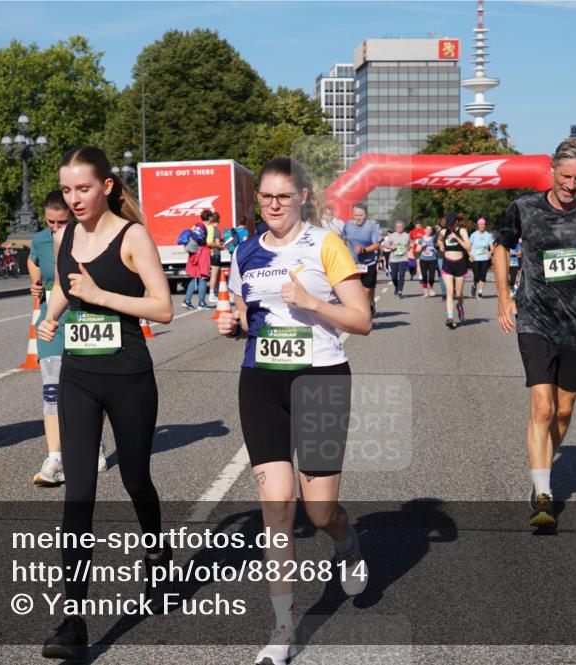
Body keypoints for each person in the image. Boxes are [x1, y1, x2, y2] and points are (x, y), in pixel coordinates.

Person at [219, 156, 371, 665]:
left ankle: (346, 543)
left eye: (284, 196)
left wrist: (312, 302)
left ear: (304, 196)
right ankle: (282, 631)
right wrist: (234, 325)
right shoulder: (245, 251)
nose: (275, 206)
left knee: (319, 510)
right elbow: (246, 313)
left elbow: (362, 318)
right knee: (278, 507)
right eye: (266, 197)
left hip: (322, 380)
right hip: (261, 381)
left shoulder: (326, 243)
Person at [37, 146, 174, 659]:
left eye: (83, 189)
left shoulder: (132, 236)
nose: (74, 199)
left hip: (128, 377)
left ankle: (156, 559)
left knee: (136, 479)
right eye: (67, 189)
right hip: (78, 377)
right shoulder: (65, 234)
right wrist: (52, 315)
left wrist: (100, 294)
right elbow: (61, 285)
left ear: (107, 187)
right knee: (79, 497)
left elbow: (162, 308)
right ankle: (72, 621)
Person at [492, 137, 576, 529]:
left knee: (564, 411)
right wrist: (503, 296)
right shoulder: (525, 208)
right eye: (566, 176)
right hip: (535, 318)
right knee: (543, 407)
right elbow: (501, 246)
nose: (571, 186)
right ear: (551, 170)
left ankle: (543, 467)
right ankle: (542, 493)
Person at [28, 191, 107, 487]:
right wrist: (35, 285)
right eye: (51, 222)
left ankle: (94, 443)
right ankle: (56, 457)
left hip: (87, 321)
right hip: (53, 321)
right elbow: (34, 262)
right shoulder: (40, 240)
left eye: (62, 222)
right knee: (51, 389)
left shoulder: (93, 237)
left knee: (91, 392)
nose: (56, 228)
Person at [341, 202, 381, 318]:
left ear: (366, 215)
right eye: (356, 215)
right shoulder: (348, 225)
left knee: (367, 291)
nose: (358, 217)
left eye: (361, 215)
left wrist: (364, 250)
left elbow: (377, 245)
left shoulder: (372, 225)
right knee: (354, 291)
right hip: (353, 263)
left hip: (369, 262)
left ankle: (369, 305)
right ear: (352, 215)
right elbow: (343, 240)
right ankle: (362, 313)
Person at [437, 213, 472, 329]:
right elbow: (439, 240)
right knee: (449, 292)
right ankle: (450, 317)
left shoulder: (462, 231)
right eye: (448, 225)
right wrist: (441, 244)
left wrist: (456, 238)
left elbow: (468, 247)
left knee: (458, 293)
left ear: (456, 222)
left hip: (460, 264)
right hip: (447, 263)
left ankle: (460, 306)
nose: (450, 227)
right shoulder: (443, 231)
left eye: (451, 225)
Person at [182, 221, 210, 310]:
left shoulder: (194, 228)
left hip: (194, 256)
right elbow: (209, 242)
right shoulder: (208, 228)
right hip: (202, 255)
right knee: (203, 279)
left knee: (194, 279)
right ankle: (201, 303)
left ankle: (187, 300)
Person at [469, 217, 495, 299]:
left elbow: (492, 247)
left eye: (483, 224)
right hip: (475, 258)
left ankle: (480, 292)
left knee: (483, 275)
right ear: (478, 225)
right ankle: (474, 285)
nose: (482, 226)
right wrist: (470, 255)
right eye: (480, 225)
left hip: (484, 258)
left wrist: (490, 253)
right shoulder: (473, 235)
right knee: (476, 277)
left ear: (485, 225)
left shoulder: (488, 235)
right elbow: (468, 247)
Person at [383, 221, 411, 298]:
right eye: (397, 227)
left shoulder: (407, 235)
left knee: (402, 275)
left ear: (403, 227)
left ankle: (400, 291)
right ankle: (397, 286)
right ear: (395, 228)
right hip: (393, 259)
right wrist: (391, 247)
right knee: (394, 277)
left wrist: (408, 247)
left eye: (400, 227)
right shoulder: (392, 236)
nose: (399, 228)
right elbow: (385, 245)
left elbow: (410, 244)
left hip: (403, 258)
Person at [206, 210, 224, 305]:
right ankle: (212, 294)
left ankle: (215, 293)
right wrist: (222, 246)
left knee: (216, 274)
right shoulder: (216, 230)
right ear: (218, 221)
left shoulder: (208, 228)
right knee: (214, 275)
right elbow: (217, 243)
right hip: (215, 254)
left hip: (209, 253)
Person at [417, 224, 438, 297]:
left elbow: (437, 247)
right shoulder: (421, 239)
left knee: (432, 276)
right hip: (423, 259)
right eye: (428, 229)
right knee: (424, 276)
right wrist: (422, 246)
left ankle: (431, 288)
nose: (429, 231)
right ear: (424, 230)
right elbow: (417, 251)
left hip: (432, 259)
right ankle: (425, 291)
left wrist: (433, 248)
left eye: (430, 230)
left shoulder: (434, 238)